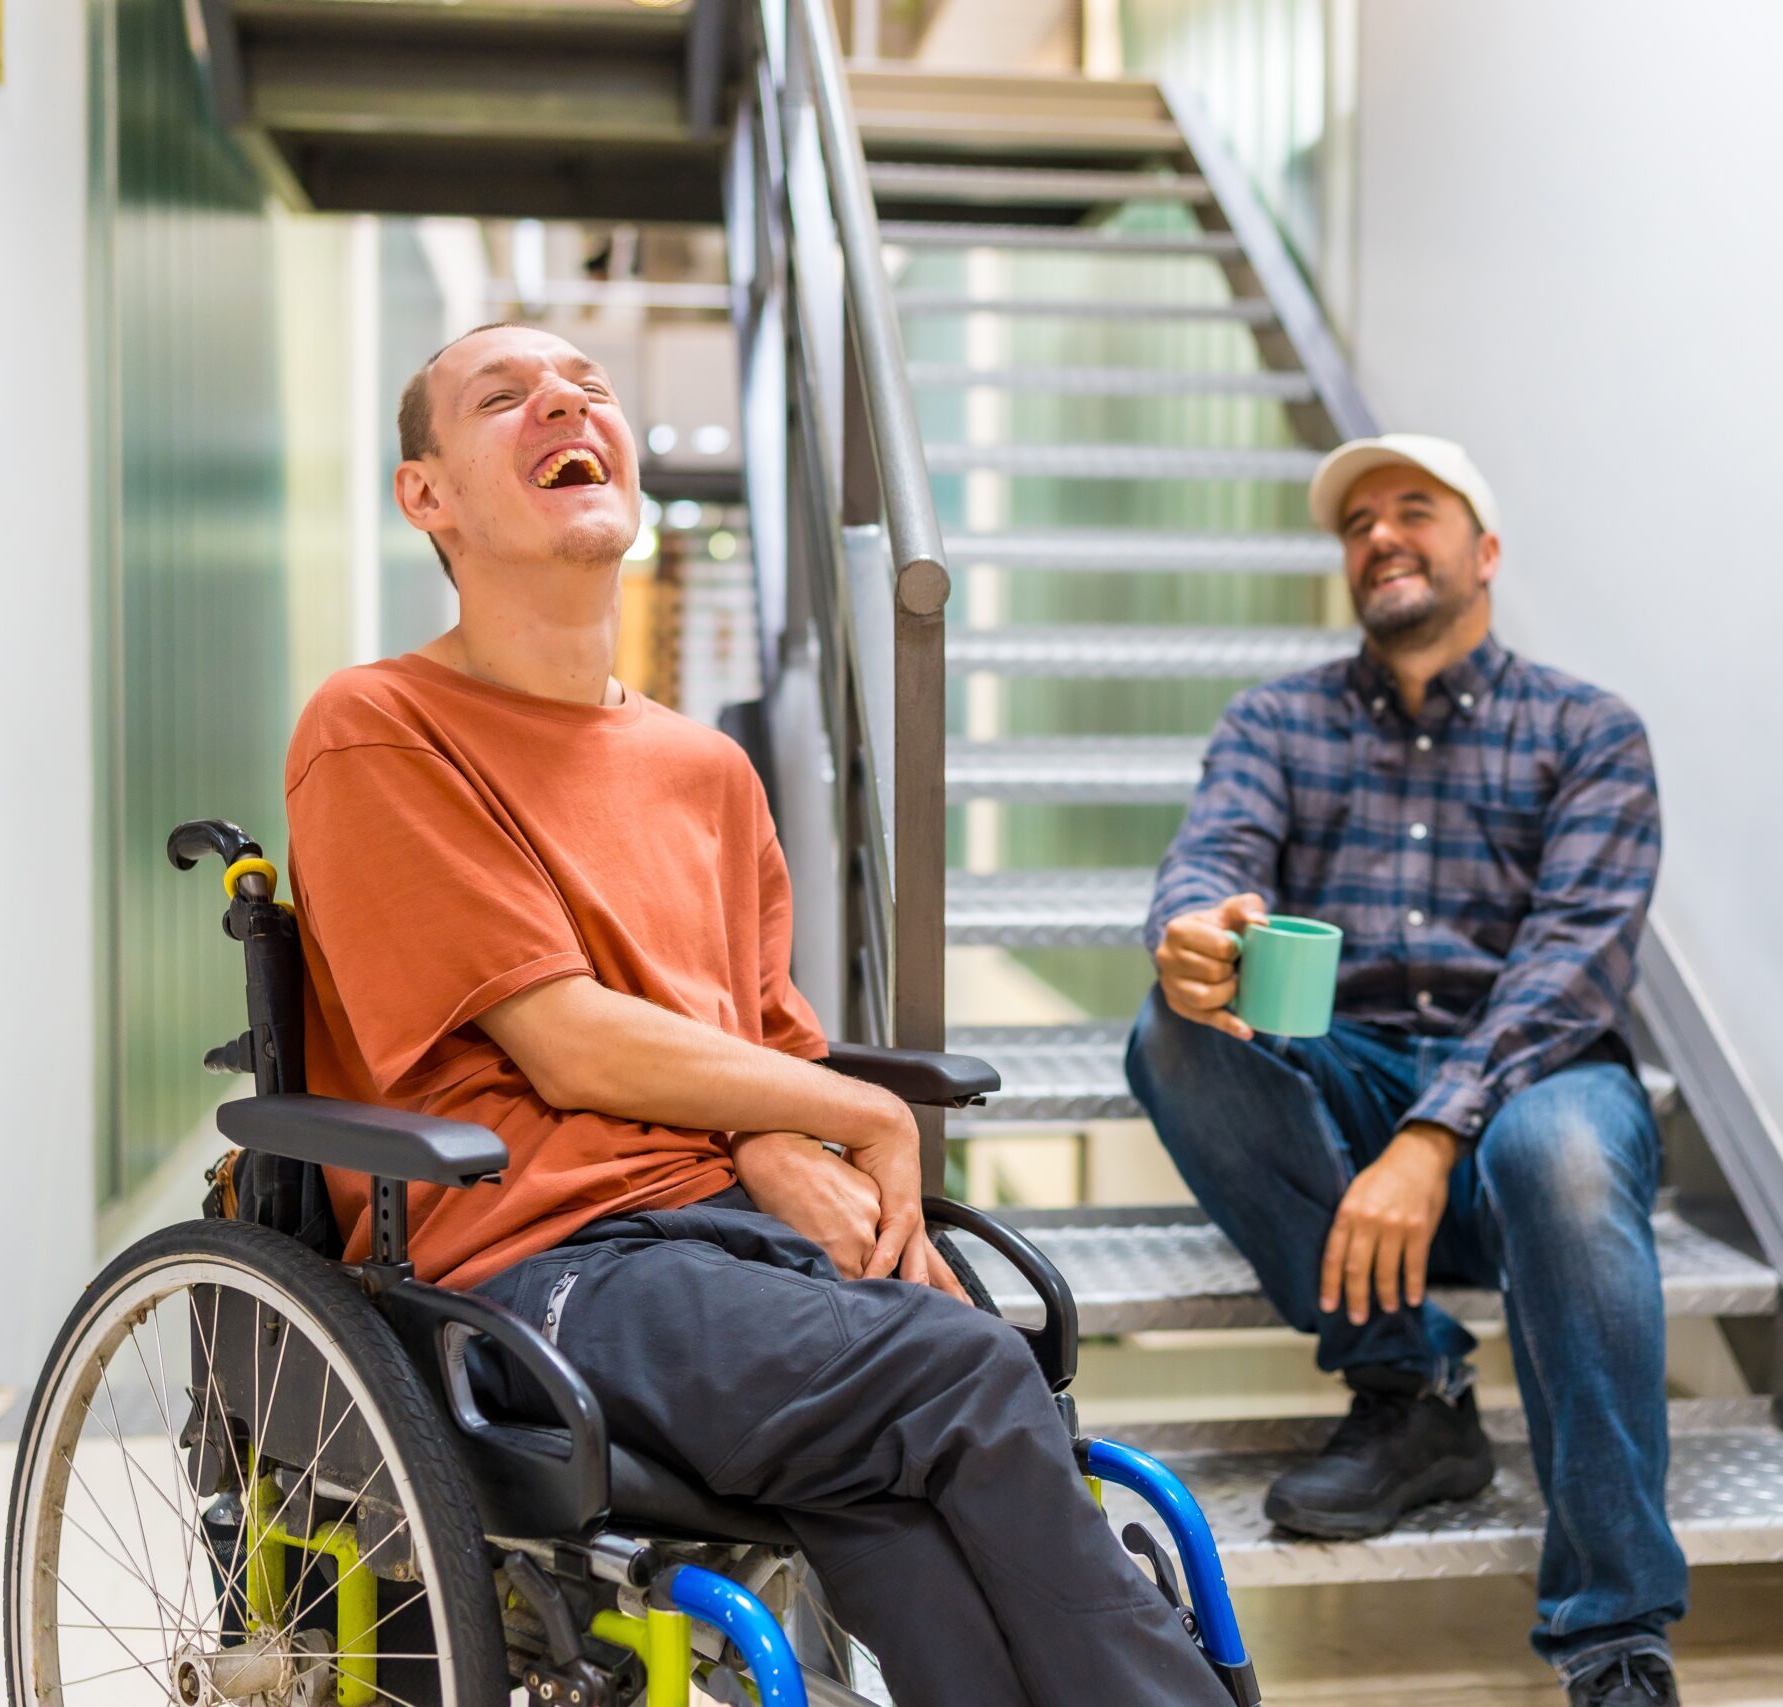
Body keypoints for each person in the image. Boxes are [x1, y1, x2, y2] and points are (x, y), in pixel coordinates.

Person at [282, 322, 1227, 1707]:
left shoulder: (703, 768)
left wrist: (777, 1140)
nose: (566, 397)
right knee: (955, 1369)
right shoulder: (378, 725)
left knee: (902, 1502)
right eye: (505, 396)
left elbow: (759, 1037)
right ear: (428, 495)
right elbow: (564, 1034)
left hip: (725, 1246)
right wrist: (833, 1115)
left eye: (588, 384)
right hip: (533, 1262)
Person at [1124, 435, 1687, 1707]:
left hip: (1537, 1078)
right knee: (1168, 1038)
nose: (1380, 535)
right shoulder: (1277, 721)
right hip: (1354, 1069)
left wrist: (1433, 1137)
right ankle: (1410, 1383)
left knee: (1566, 1152)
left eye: (1413, 511)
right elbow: (1215, 853)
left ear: (1481, 554)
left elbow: (1573, 964)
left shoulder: (1590, 732)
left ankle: (1614, 1640)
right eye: (1357, 522)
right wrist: (1191, 935)